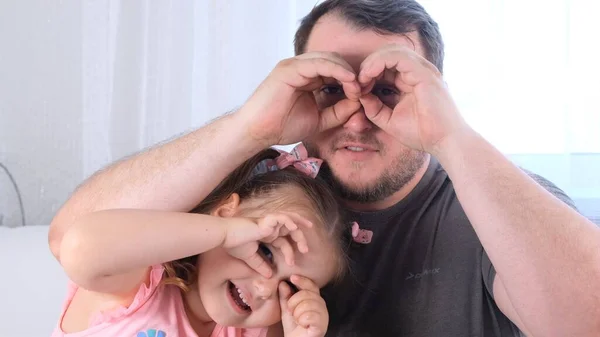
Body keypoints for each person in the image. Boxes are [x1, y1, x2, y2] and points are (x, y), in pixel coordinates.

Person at [49, 0, 600, 336]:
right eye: (331, 89)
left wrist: (451, 135)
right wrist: (250, 128)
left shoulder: (495, 202)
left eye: (389, 90)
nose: (358, 120)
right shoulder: (259, 197)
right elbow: (71, 239)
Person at [50, 146, 352, 337]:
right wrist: (224, 232)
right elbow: (78, 248)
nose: (265, 288)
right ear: (224, 215)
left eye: (293, 287)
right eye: (266, 252)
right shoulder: (144, 283)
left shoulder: (254, 331)